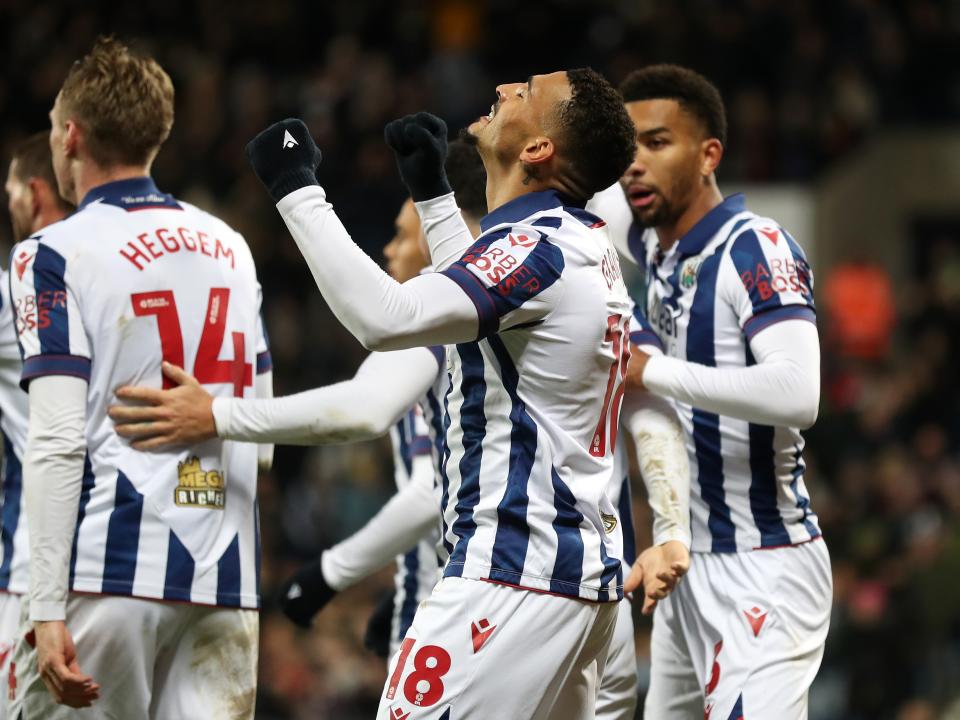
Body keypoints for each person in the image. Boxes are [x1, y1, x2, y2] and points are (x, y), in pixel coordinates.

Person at [245, 69, 639, 719]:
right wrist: (433, 197)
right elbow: (486, 333)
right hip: (573, 581)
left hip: (514, 575)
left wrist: (295, 187)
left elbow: (386, 318)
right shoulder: (575, 242)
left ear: (538, 150)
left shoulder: (534, 248)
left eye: (528, 92)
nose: (509, 86)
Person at [110, 139, 488, 662]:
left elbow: (365, 411)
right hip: (537, 579)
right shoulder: (544, 276)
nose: (390, 252)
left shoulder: (452, 302)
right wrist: (413, 587)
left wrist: (217, 415)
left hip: (503, 585)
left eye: (403, 237)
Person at [8, 38, 271, 719]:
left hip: (109, 567)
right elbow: (263, 437)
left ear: (69, 136)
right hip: (226, 574)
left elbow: (59, 439)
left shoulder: (51, 252)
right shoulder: (231, 247)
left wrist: (44, 605)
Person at [592, 64, 830, 720]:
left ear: (708, 155)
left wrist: (652, 370)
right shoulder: (656, 245)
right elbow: (580, 191)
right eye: (626, 148)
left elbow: (798, 393)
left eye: (657, 142)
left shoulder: (757, 247)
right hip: (686, 561)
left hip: (764, 564)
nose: (634, 164)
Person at [0, 132, 73, 719]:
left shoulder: (20, 280)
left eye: (9, 190)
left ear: (34, 190)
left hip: (31, 562)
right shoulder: (115, 270)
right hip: (118, 550)